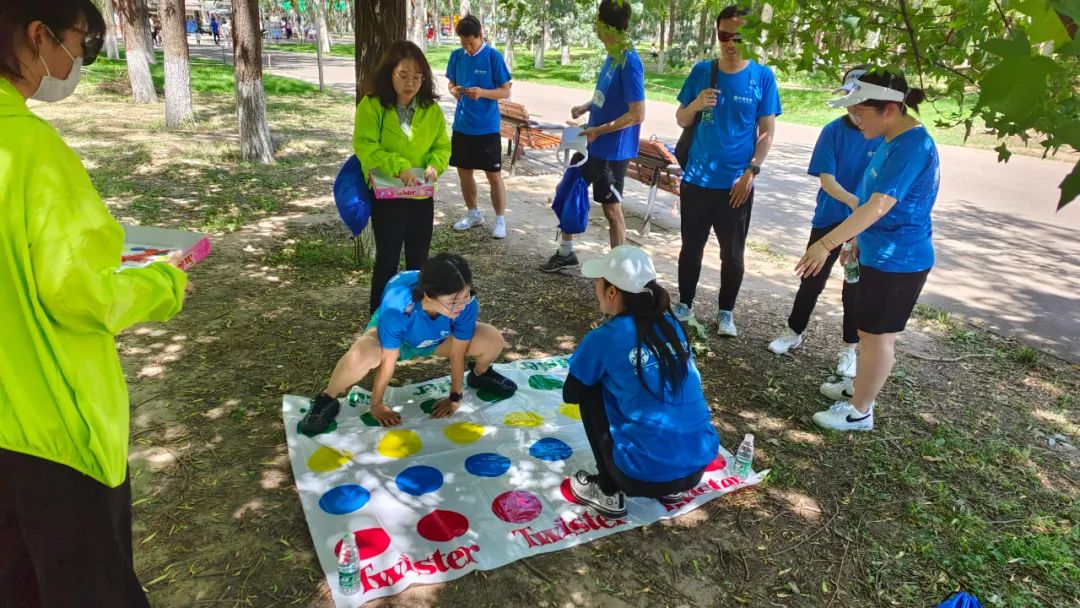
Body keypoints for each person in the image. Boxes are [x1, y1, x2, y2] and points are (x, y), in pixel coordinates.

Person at [0, 2, 188, 605]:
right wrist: (164, 283)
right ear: (39, 35)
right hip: (50, 432)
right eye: (82, 42)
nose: (81, 58)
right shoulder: (31, 150)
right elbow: (78, 291)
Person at [795, 68, 937, 432]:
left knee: (878, 337)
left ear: (889, 109)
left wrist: (826, 243)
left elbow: (879, 204)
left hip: (899, 259)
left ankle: (860, 412)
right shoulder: (890, 137)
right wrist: (856, 240)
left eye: (861, 112)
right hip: (877, 252)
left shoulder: (912, 146)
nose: (855, 120)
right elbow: (868, 200)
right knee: (867, 330)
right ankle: (860, 388)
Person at [564, 246, 720, 517]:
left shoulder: (604, 337)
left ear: (612, 292)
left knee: (590, 389)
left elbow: (571, 393)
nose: (596, 287)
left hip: (637, 476)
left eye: (599, 282)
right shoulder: (672, 326)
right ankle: (671, 488)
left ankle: (607, 489)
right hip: (696, 467)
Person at [300, 254, 518, 432]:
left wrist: (454, 396)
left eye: (466, 296)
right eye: (453, 301)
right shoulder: (398, 303)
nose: (462, 304)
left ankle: (481, 374)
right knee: (363, 352)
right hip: (399, 341)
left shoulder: (466, 301)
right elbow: (389, 359)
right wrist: (377, 405)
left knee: (491, 338)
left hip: (437, 339)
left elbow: (457, 353)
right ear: (429, 295)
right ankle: (326, 399)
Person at [672, 4, 780, 337]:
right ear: (717, 34)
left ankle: (726, 313)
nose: (731, 44)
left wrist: (751, 171)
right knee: (691, 248)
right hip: (697, 180)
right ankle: (684, 304)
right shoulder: (702, 71)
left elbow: (766, 132)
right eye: (724, 36)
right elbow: (682, 119)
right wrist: (696, 104)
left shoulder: (762, 77)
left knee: (732, 255)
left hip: (736, 184)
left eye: (739, 38)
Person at [767, 66, 883, 378]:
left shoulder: (883, 136)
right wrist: (854, 202)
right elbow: (827, 180)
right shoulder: (833, 131)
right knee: (811, 278)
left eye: (861, 102)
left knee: (853, 288)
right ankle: (794, 331)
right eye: (850, 101)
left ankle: (849, 348)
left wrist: (863, 213)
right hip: (830, 217)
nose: (856, 110)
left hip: (866, 225)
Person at [540, 0, 645, 272]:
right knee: (567, 190)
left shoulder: (630, 61)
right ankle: (566, 253)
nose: (594, 26)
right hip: (590, 143)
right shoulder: (613, 55)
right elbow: (610, 97)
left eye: (597, 21)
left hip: (612, 151)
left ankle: (619, 271)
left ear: (606, 25)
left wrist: (600, 130)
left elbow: (637, 113)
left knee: (611, 210)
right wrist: (587, 107)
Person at [354, 41, 451, 314]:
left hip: (420, 196)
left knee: (419, 262)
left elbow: (442, 147)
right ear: (390, 73)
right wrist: (399, 167)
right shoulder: (372, 105)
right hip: (388, 196)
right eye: (403, 76)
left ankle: (413, 316)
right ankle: (378, 319)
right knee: (387, 260)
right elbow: (365, 146)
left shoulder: (431, 110)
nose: (411, 84)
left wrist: (434, 166)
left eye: (417, 77)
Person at [446, 14, 512, 239]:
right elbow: (451, 83)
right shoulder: (456, 56)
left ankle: (500, 219)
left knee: (494, 175)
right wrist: (454, 90)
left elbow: (505, 90)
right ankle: (473, 214)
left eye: (471, 43)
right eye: (463, 43)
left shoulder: (493, 56)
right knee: (464, 173)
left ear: (480, 35)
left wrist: (483, 92)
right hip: (462, 126)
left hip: (487, 128)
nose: (468, 48)